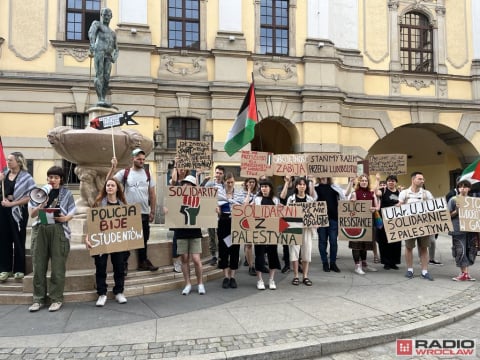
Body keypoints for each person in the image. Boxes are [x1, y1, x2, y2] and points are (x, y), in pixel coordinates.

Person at [28, 166, 76, 312]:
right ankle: (38, 299)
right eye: (50, 177)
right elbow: (32, 214)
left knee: (57, 267)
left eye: (56, 177)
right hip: (40, 229)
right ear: (47, 178)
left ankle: (56, 298)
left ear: (61, 179)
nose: (53, 180)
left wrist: (65, 218)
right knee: (38, 265)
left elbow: (72, 211)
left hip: (58, 229)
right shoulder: (38, 192)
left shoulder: (67, 193)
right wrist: (43, 202)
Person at [112, 149, 158, 273]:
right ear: (133, 159)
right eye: (139, 159)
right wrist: (113, 168)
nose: (141, 161)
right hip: (128, 212)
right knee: (127, 239)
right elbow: (109, 182)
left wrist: (152, 211)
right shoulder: (125, 173)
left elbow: (152, 194)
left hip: (143, 212)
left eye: (143, 159)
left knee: (144, 239)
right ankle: (124, 264)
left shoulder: (148, 174)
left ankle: (143, 262)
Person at [85, 178, 128, 306]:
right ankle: (102, 293)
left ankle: (119, 292)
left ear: (117, 188)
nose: (109, 187)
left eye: (112, 185)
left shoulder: (123, 206)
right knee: (100, 267)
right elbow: (91, 223)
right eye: (108, 185)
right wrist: (88, 237)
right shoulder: (98, 204)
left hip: (118, 241)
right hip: (101, 241)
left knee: (119, 267)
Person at [0, 152, 35, 281]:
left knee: (18, 238)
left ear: (18, 162)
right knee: (4, 239)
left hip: (18, 212)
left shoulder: (27, 178)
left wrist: (13, 203)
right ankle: (5, 269)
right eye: (7, 160)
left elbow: (30, 196)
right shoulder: (4, 175)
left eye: (10, 160)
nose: (8, 162)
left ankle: (19, 270)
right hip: (3, 210)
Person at [168, 175, 206, 295]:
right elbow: (171, 212)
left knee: (196, 259)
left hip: (195, 231)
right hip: (181, 231)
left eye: (189, 184)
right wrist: (166, 210)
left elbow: (206, 211)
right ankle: (188, 284)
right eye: (185, 183)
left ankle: (200, 283)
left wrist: (214, 211)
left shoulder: (200, 198)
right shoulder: (176, 198)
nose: (186, 185)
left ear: (194, 187)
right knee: (184, 259)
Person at [245, 178, 281, 290]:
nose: (264, 188)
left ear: (270, 188)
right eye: (262, 186)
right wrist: (249, 193)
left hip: (272, 232)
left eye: (266, 186)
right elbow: (245, 207)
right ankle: (259, 280)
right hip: (259, 231)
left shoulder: (275, 200)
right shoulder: (257, 199)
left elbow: (280, 214)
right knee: (259, 255)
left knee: (272, 254)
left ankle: (271, 279)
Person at [398, 171, 435, 281]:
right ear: (413, 180)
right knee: (409, 247)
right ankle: (410, 270)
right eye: (420, 179)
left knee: (424, 248)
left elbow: (434, 207)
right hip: (409, 225)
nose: (422, 181)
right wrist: (398, 206)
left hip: (424, 224)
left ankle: (425, 271)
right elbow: (399, 208)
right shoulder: (404, 193)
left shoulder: (426, 193)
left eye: (423, 179)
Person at [216, 173, 245, 289]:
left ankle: (232, 277)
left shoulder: (239, 194)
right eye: (228, 182)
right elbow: (214, 205)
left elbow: (243, 206)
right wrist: (217, 209)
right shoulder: (219, 193)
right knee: (223, 250)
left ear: (234, 182)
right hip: (223, 222)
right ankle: (225, 277)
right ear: (224, 182)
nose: (230, 184)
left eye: (232, 182)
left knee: (235, 249)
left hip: (235, 223)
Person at [88, 7, 119, 107]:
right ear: (101, 15)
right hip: (99, 52)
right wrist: (92, 44)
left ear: (111, 17)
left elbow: (117, 48)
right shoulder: (97, 24)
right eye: (104, 15)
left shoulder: (113, 33)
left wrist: (115, 56)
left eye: (108, 15)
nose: (106, 17)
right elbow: (91, 33)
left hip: (108, 56)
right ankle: (100, 98)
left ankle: (103, 97)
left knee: (106, 78)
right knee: (99, 75)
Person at [287, 177, 315, 286]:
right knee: (294, 251)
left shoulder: (310, 199)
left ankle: (305, 276)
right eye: (300, 184)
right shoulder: (291, 199)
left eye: (304, 184)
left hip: (307, 229)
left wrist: (315, 222)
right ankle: (295, 276)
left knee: (306, 252)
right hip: (294, 228)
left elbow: (314, 214)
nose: (302, 186)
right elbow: (287, 214)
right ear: (296, 186)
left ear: (306, 186)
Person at [349, 174, 379, 275]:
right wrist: (352, 202)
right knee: (356, 245)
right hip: (357, 223)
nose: (364, 182)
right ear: (359, 182)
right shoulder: (355, 193)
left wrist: (373, 208)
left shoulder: (372, 193)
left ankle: (364, 264)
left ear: (368, 182)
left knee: (365, 245)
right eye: (362, 180)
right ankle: (357, 266)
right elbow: (349, 206)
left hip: (368, 222)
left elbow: (377, 207)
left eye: (366, 180)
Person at [314, 177, 346, 273]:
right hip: (321, 219)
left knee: (333, 242)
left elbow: (344, 196)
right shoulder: (316, 188)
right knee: (322, 242)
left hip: (333, 218)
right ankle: (324, 263)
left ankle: (333, 263)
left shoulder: (334, 187)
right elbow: (311, 200)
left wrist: (351, 182)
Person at [448, 179, 477, 281]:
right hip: (457, 229)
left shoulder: (473, 201)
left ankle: (466, 273)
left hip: (470, 229)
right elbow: (447, 215)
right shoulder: (453, 199)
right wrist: (456, 211)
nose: (462, 188)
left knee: (470, 250)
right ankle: (463, 273)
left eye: (465, 186)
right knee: (460, 250)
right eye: (460, 186)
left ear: (469, 188)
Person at [374, 174, 401, 270]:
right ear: (387, 182)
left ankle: (394, 262)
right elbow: (375, 192)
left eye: (393, 181)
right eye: (389, 181)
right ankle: (386, 262)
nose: (391, 182)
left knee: (396, 242)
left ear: (396, 182)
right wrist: (377, 180)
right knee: (384, 242)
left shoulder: (399, 192)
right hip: (384, 221)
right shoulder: (383, 191)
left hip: (396, 221)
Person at [204, 165, 225, 266]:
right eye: (217, 173)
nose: (218, 175)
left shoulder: (225, 185)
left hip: (222, 215)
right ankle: (214, 256)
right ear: (214, 173)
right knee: (212, 236)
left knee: (222, 236)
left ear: (223, 174)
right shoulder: (209, 184)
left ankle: (222, 256)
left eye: (220, 173)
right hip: (210, 214)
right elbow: (201, 193)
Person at [278, 176, 295, 273]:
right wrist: (286, 183)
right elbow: (282, 197)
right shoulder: (280, 187)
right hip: (283, 217)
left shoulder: (296, 187)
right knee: (285, 243)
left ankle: (297, 264)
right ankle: (287, 265)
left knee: (296, 242)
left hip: (295, 217)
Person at [242, 177, 258, 276]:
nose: (251, 184)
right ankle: (251, 266)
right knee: (248, 244)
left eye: (253, 182)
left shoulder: (258, 193)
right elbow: (245, 204)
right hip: (246, 220)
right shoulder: (241, 193)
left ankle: (257, 263)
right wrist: (248, 191)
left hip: (257, 220)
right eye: (249, 182)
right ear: (246, 183)